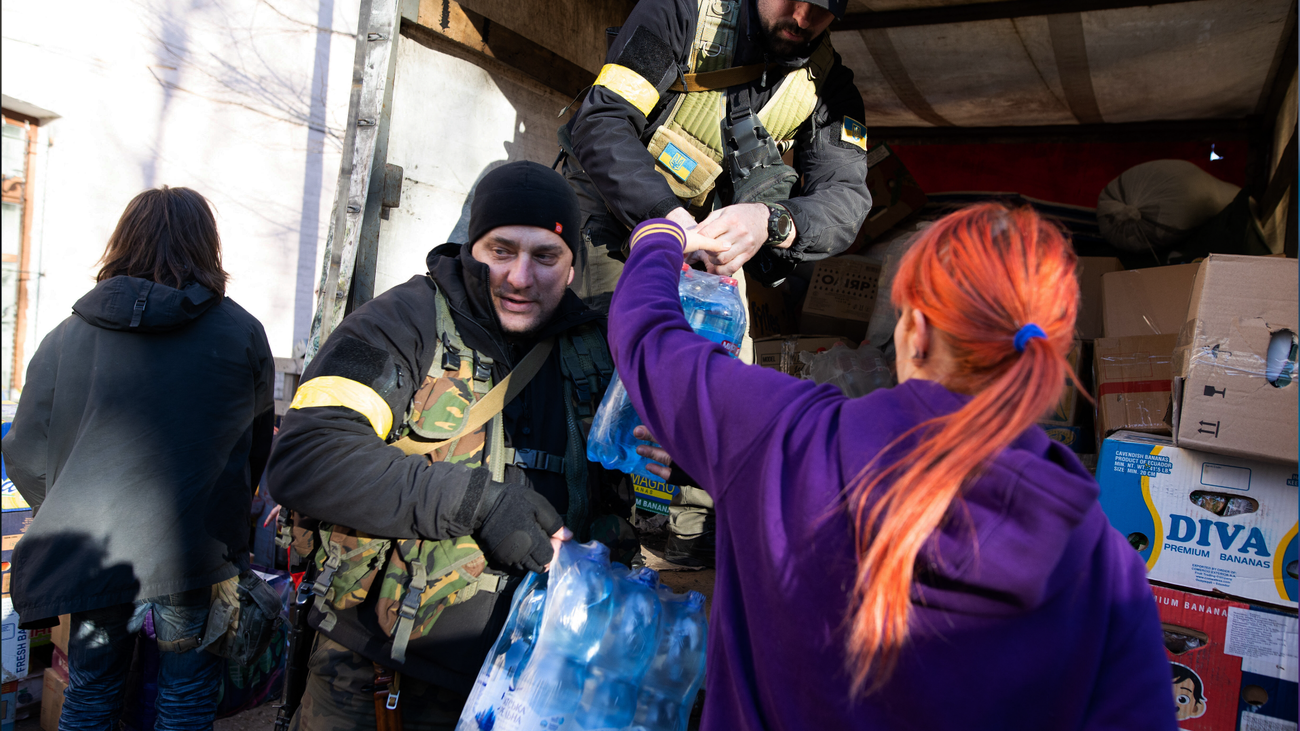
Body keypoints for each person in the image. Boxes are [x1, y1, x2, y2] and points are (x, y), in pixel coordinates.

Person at [611, 204, 1178, 729]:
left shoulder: (781, 438)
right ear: (1047, 355)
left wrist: (660, 237)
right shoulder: (1105, 571)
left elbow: (649, 338)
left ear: (916, 331)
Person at [267, 161, 669, 731]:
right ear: (468, 247)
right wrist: (478, 502)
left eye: (545, 256)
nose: (521, 277)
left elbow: (651, 479)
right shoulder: (401, 322)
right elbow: (309, 456)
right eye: (501, 250)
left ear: (573, 265)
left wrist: (669, 465)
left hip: (540, 679)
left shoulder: (600, 347)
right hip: (383, 674)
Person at [561, 0, 872, 566]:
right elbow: (601, 121)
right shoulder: (681, 14)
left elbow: (846, 198)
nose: (802, 16)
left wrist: (774, 223)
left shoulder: (827, 85)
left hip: (721, 231)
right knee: (613, 357)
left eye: (821, 9)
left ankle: (691, 532)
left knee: (727, 376)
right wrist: (665, 218)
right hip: (623, 211)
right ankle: (588, 517)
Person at [2, 186, 275, 731]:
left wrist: (63, 505)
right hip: (195, 555)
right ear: (207, 245)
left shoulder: (67, 335)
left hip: (96, 553)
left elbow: (24, 448)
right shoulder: (242, 331)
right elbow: (257, 445)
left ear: (122, 241)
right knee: (186, 697)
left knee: (91, 694)